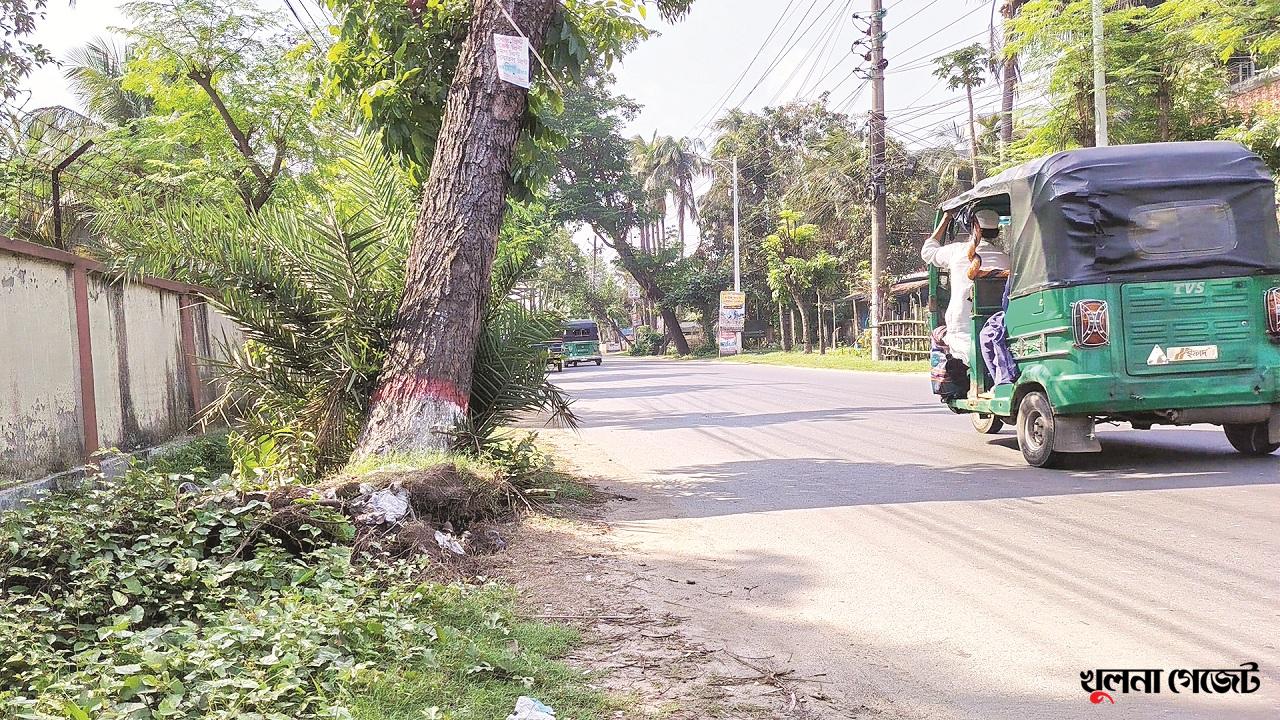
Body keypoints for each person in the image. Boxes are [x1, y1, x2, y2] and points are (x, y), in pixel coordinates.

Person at [920, 208, 1010, 368]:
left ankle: (949, 388)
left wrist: (946, 219)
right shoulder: (1007, 259)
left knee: (937, 334)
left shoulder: (957, 251)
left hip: (961, 331)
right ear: (996, 232)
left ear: (972, 228)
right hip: (998, 328)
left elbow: (927, 252)